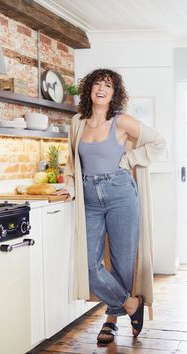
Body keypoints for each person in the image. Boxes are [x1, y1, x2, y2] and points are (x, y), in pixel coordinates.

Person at [55, 68, 166, 344]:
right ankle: (130, 304)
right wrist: (69, 188)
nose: (101, 89)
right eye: (97, 84)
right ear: (88, 90)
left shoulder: (122, 121)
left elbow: (158, 142)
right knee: (90, 266)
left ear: (115, 93)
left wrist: (128, 160)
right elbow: (72, 163)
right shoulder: (77, 122)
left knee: (122, 262)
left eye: (108, 85)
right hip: (89, 198)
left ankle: (111, 319)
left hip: (119, 193)